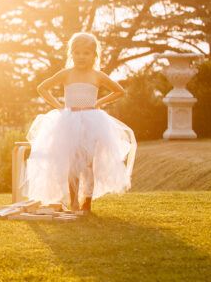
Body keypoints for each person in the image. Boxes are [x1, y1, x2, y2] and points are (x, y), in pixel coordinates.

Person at [25, 32, 136, 212]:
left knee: (89, 164)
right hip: (69, 121)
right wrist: (58, 106)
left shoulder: (97, 75)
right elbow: (42, 88)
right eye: (77, 53)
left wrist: (99, 103)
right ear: (71, 54)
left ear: (94, 55)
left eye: (86, 53)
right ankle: (74, 201)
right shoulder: (67, 73)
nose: (81, 57)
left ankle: (87, 202)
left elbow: (119, 91)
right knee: (72, 163)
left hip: (92, 121)